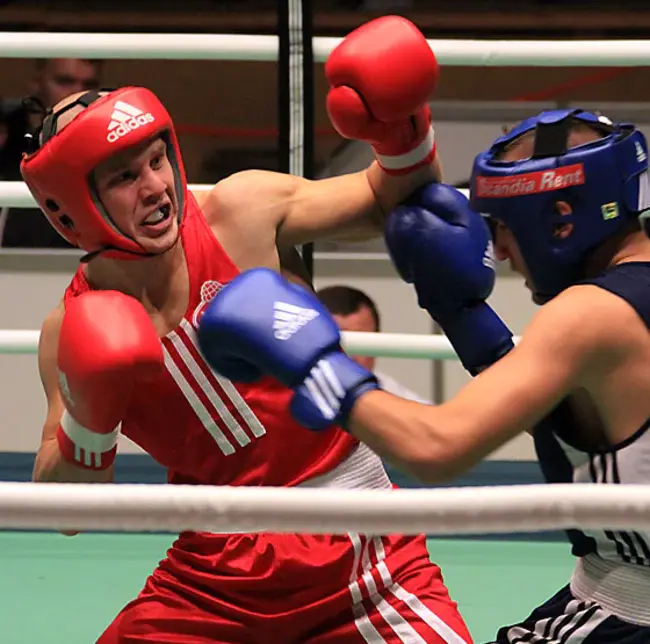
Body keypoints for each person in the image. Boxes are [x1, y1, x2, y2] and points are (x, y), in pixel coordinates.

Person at [25, 16, 473, 644]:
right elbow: (61, 510)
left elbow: (387, 198)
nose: (155, 188)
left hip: (355, 537)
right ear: (69, 206)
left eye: (157, 161)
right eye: (125, 178)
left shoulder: (239, 211)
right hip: (212, 568)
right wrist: (88, 422)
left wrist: (399, 130)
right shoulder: (67, 330)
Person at [197, 108, 650, 642]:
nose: (500, 251)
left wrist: (317, 366)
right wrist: (459, 313)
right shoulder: (620, 307)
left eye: (504, 227)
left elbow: (437, 448)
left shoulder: (587, 316)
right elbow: (571, 404)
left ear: (561, 219)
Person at [0, 58, 101, 247]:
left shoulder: (107, 138)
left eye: (89, 84)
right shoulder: (8, 135)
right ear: (38, 83)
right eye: (65, 81)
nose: (78, 93)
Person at [318, 284, 431, 402]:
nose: (349, 355)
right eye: (338, 343)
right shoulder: (298, 398)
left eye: (361, 342)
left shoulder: (408, 406)